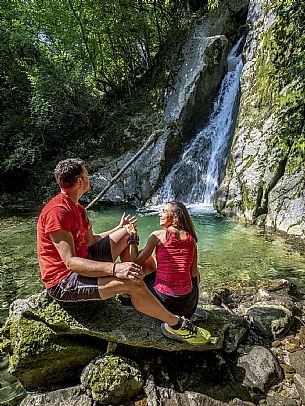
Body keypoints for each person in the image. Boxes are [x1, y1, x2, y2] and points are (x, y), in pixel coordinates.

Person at [37, 158, 210, 345]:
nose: (90, 178)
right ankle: (175, 325)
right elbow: (70, 262)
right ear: (80, 182)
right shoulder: (57, 212)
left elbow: (91, 241)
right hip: (64, 281)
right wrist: (115, 269)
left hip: (83, 261)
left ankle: (133, 295)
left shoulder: (78, 208)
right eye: (87, 175)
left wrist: (118, 228)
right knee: (131, 279)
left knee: (124, 235)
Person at [129, 201, 202, 326]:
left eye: (164, 211)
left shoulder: (158, 235)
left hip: (164, 305)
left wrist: (133, 237)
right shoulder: (192, 239)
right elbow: (194, 275)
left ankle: (128, 295)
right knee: (192, 273)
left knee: (145, 259)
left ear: (175, 218)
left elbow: (134, 262)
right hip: (187, 307)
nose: (160, 214)